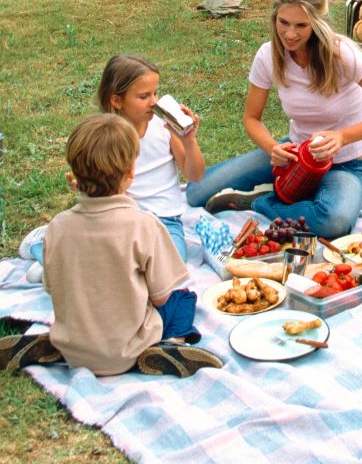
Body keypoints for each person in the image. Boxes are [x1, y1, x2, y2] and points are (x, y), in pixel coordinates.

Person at [0, 114, 223, 376]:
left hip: (72, 347)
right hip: (129, 348)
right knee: (182, 297)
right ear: (131, 173)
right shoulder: (144, 226)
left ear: (73, 177)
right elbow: (161, 295)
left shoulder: (57, 227)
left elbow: (52, 287)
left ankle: (55, 343)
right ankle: (171, 343)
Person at [187, 0, 362, 237]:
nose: (290, 34)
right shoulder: (268, 55)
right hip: (293, 155)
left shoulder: (341, 53)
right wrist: (273, 147)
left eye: (301, 26)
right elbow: (252, 118)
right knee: (196, 192)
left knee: (333, 221)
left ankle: (260, 202)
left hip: (346, 163)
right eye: (283, 22)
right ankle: (287, 192)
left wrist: (343, 137)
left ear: (317, 23)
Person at [96, 54, 205, 261]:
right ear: (117, 100)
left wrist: (189, 141)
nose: (153, 102)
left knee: (170, 266)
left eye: (155, 93)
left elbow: (196, 175)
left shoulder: (164, 127)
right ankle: (45, 248)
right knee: (109, 263)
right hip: (123, 221)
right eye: (143, 96)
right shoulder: (106, 137)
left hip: (166, 221)